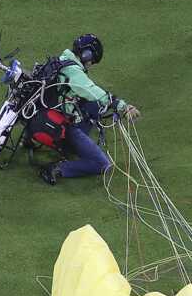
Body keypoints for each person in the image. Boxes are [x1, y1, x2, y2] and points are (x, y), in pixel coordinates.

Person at [38, 34, 140, 186]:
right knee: (102, 164)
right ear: (87, 54)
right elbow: (91, 91)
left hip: (43, 116)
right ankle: (57, 168)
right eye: (92, 60)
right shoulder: (74, 72)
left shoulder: (61, 60)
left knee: (96, 105)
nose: (91, 64)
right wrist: (121, 106)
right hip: (62, 126)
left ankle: (42, 142)